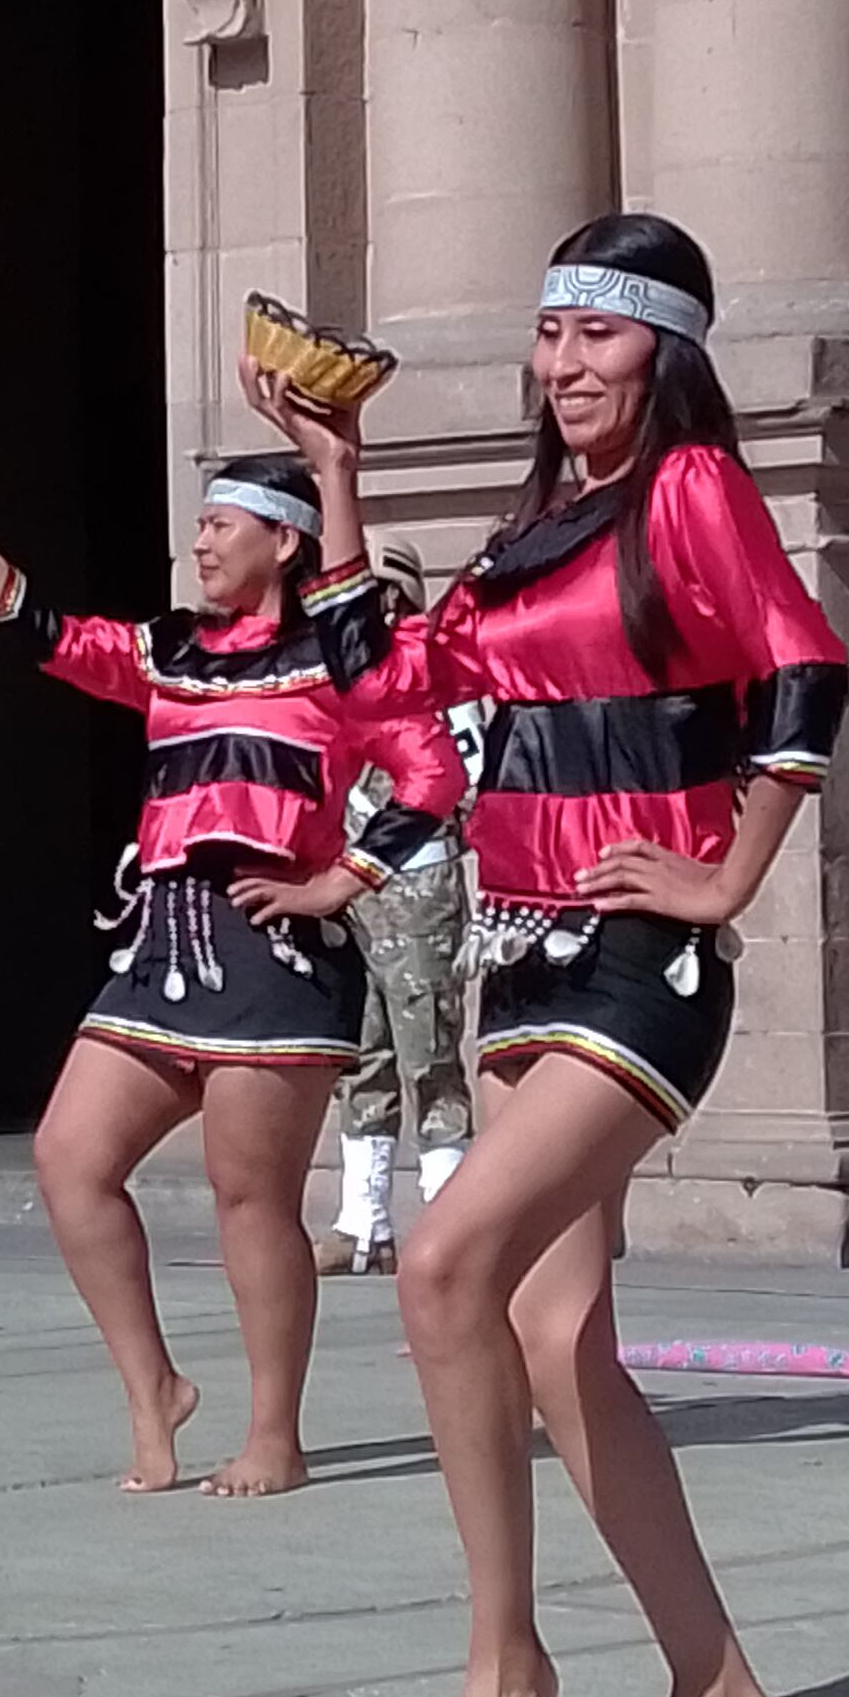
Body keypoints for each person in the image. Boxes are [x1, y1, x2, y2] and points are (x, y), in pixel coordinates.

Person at [256, 212, 848, 1697]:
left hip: (632, 967)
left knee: (445, 1261)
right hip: (511, 956)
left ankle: (505, 1652)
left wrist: (726, 878)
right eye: (550, 333)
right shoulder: (541, 529)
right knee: (552, 1332)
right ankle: (716, 1688)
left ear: (667, 348)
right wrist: (336, 482)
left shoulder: (690, 493)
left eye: (599, 332)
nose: (567, 361)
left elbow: (808, 670)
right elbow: (392, 695)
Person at [0, 451, 462, 1496]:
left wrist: (340, 880)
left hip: (271, 951)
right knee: (69, 1157)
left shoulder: (340, 658)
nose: (197, 543)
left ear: (282, 541)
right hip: (158, 942)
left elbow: (430, 772)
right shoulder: (169, 649)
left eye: (219, 525)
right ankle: (154, 1391)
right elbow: (46, 631)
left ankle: (274, 1433)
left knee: (251, 1200)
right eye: (197, 526)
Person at [319, 547, 479, 1276]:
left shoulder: (439, 681)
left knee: (431, 1057)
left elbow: (474, 784)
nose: (374, 615)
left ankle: (450, 1222)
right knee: (360, 1056)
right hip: (346, 887)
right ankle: (363, 1224)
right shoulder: (337, 678)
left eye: (386, 600)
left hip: (418, 886)